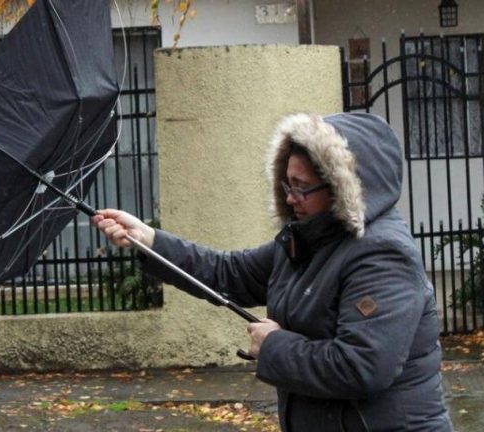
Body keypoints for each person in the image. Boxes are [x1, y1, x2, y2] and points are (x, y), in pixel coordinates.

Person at [92, 112, 453, 431]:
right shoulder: (306, 241)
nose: (291, 197)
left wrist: (275, 346)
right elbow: (228, 272)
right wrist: (150, 240)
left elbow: (361, 366)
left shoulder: (382, 256)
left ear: (344, 189)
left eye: (302, 188)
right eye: (287, 184)